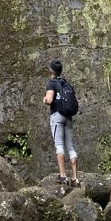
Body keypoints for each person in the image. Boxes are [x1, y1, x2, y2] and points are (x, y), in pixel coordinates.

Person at [44, 59, 79, 187]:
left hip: (57, 116)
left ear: (51, 71)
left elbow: (49, 99)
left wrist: (45, 100)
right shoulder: (66, 83)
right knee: (70, 146)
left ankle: (63, 176)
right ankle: (75, 178)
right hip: (68, 117)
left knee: (59, 145)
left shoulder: (51, 83)